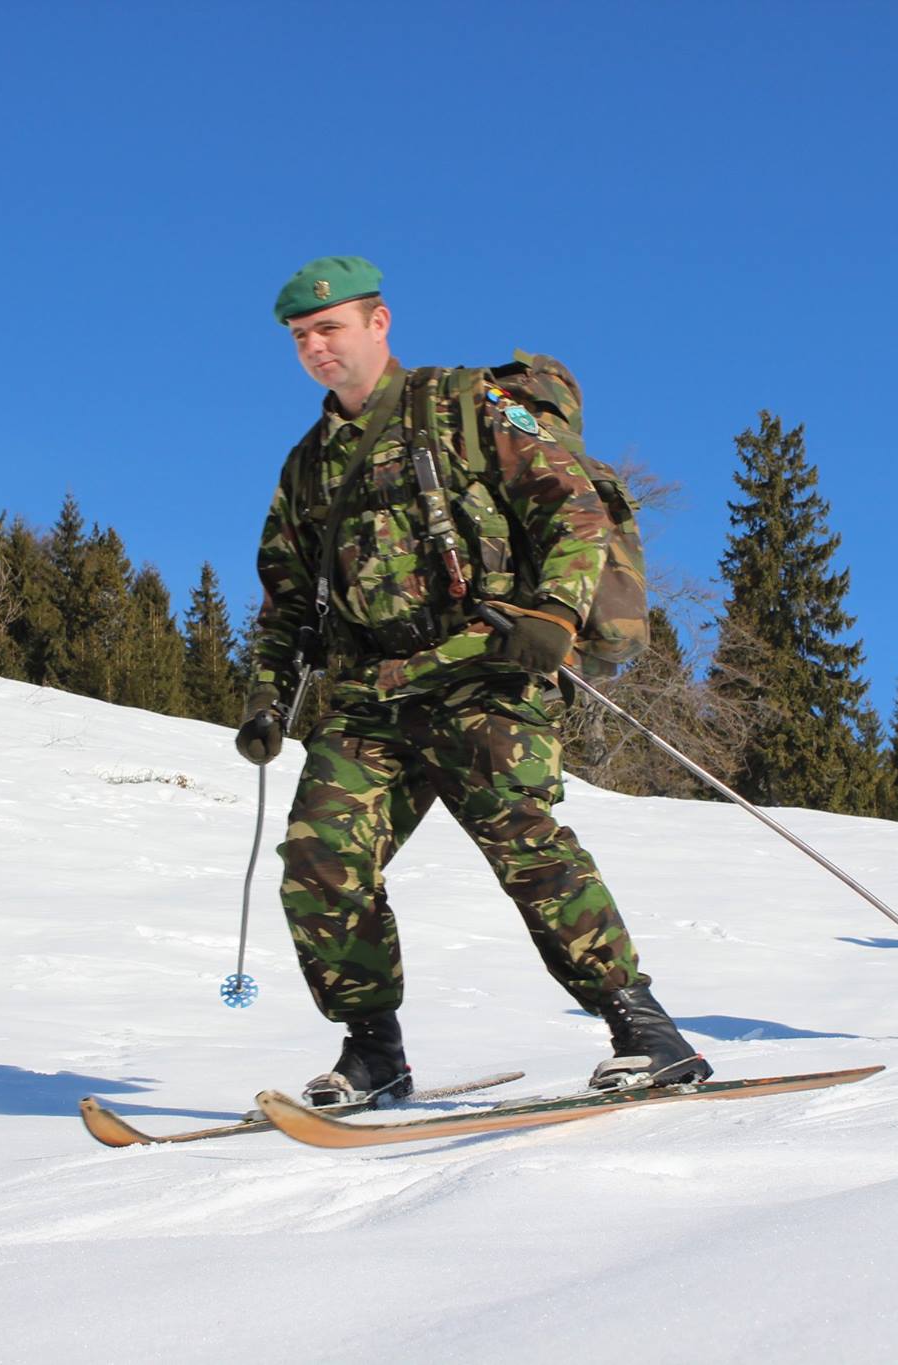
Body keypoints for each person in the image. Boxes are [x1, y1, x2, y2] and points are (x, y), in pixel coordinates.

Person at [235, 254, 710, 1105]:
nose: (316, 347)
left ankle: (646, 1030)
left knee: (524, 840)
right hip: (373, 695)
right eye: (302, 337)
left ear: (379, 324)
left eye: (331, 328)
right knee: (320, 856)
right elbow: (284, 592)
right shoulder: (307, 466)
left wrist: (556, 615)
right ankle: (374, 1052)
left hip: (486, 668)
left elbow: (570, 504)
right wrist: (269, 694)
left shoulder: (460, 405)